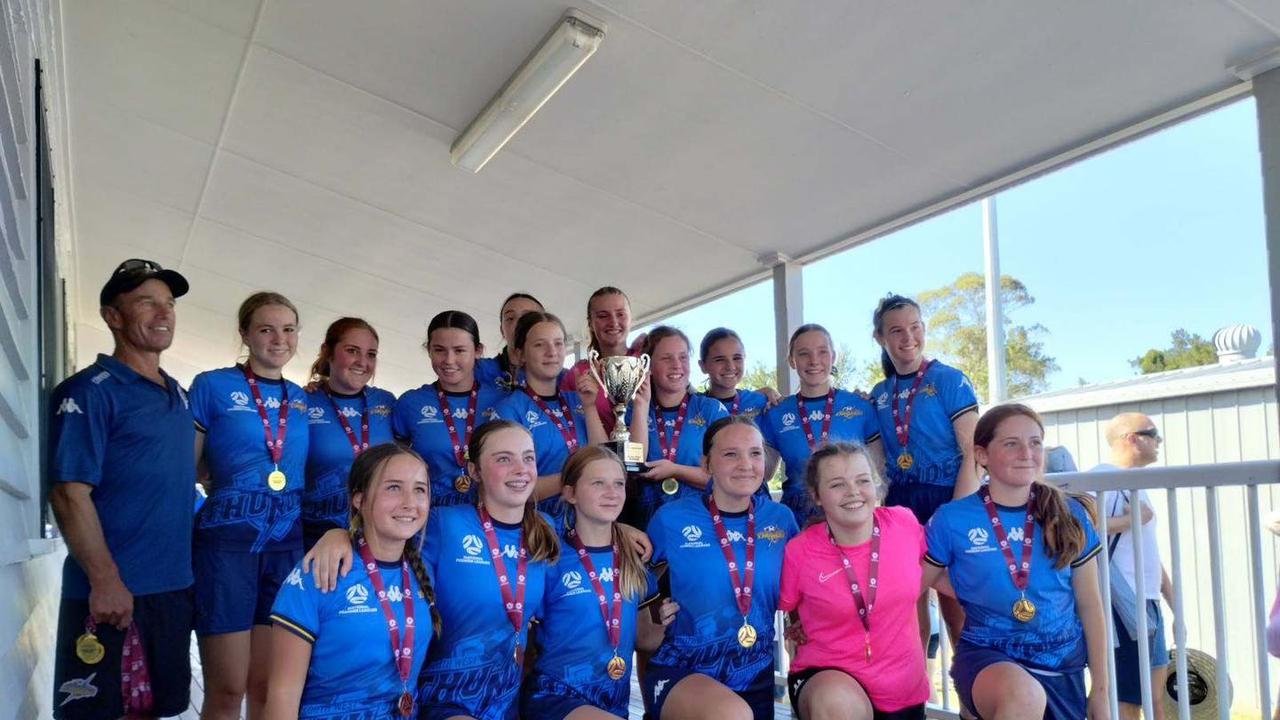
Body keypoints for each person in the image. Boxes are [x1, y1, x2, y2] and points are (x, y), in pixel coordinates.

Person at [48, 259, 196, 719]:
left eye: (168, 304)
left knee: (162, 708)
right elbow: (69, 492)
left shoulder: (177, 392)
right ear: (113, 316)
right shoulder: (90, 392)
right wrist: (105, 580)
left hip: (172, 590)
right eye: (145, 303)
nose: (162, 314)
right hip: (112, 594)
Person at [922, 404, 1109, 720]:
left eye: (1035, 442)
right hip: (989, 659)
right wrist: (970, 588)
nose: (1027, 452)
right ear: (982, 455)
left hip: (1062, 668)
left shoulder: (1069, 513)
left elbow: (1090, 604)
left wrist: (1101, 692)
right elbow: (915, 581)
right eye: (1011, 443)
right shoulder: (952, 519)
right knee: (1022, 697)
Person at [189, 291, 311, 719]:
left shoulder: (302, 398)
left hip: (286, 550)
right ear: (245, 333)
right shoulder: (213, 385)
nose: (279, 339)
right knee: (226, 689)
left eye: (288, 329)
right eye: (266, 329)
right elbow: (191, 467)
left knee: (265, 688)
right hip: (227, 550)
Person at [265, 443, 440, 718]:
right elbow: (281, 695)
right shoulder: (321, 571)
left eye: (420, 489)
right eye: (393, 487)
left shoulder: (424, 569)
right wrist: (337, 533)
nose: (409, 501)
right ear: (359, 498)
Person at [642, 416, 800, 720]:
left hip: (754, 674)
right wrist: (654, 613)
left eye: (755, 453)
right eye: (731, 454)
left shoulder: (781, 520)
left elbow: (802, 592)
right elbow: (638, 583)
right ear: (706, 465)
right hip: (683, 671)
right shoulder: (671, 519)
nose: (746, 464)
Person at [414, 420, 559, 720]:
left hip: (508, 704)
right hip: (444, 700)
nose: (521, 469)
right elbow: (380, 549)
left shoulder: (546, 532)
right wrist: (335, 537)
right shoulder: (443, 524)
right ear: (474, 470)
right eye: (504, 459)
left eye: (528, 458)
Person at [521, 445, 677, 719]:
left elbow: (645, 639)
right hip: (555, 698)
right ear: (569, 493)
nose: (612, 493)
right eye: (598, 483)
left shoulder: (633, 559)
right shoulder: (550, 556)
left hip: (612, 705)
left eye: (618, 484)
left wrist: (671, 621)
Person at [780, 443, 930, 720]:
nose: (853, 491)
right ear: (817, 496)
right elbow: (788, 602)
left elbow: (937, 572)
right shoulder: (800, 551)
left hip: (903, 690)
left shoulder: (904, 524)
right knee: (838, 704)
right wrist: (796, 622)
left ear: (877, 485)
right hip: (829, 679)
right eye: (837, 484)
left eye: (863, 480)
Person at [868, 294, 978, 652]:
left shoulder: (950, 380)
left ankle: (972, 704)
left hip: (949, 498)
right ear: (881, 339)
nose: (908, 338)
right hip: (901, 509)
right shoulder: (879, 394)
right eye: (896, 331)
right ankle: (913, 701)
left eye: (915, 327)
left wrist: (956, 513)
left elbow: (974, 452)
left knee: (959, 615)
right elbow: (879, 462)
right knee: (907, 615)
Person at [1095, 413, 1174, 720]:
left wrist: (1172, 600)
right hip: (1121, 603)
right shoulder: (1103, 477)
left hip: (1147, 602)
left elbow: (1148, 553)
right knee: (1127, 697)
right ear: (1131, 438)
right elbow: (1082, 526)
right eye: (1153, 434)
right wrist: (1132, 520)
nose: (1158, 441)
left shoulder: (1136, 485)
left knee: (1155, 696)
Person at [759, 324, 881, 523]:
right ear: (792, 360)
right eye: (804, 353)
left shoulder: (861, 406)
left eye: (822, 352)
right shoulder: (776, 413)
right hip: (797, 518)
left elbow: (880, 471)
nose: (814, 361)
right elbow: (763, 472)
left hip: (848, 512)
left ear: (833, 356)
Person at [495, 312, 610, 520]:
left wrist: (591, 408)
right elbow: (511, 487)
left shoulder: (579, 400)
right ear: (520, 354)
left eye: (558, 344)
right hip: (538, 528)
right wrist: (576, 479)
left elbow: (605, 460)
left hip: (588, 524)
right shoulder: (509, 411)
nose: (552, 352)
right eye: (540, 345)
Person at [393, 310, 504, 509]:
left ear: (478, 351)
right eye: (439, 350)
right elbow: (395, 461)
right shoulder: (411, 403)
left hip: (488, 519)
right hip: (429, 519)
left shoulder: (502, 401)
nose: (449, 360)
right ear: (428, 350)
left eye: (459, 350)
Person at [302, 317, 396, 550]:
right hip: (315, 533)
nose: (362, 362)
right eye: (352, 351)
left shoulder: (387, 402)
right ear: (328, 352)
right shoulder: (301, 402)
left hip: (374, 533)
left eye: (371, 354)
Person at [636, 326, 729, 526]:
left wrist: (675, 470)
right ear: (648, 366)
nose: (677, 365)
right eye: (667, 358)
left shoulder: (710, 409)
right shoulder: (635, 410)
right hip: (648, 522)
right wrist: (641, 405)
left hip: (703, 519)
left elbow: (727, 476)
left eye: (683, 357)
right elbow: (634, 463)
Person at [561, 286, 647, 433]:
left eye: (620, 314)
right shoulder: (578, 374)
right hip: (596, 454)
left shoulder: (644, 363)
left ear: (631, 318)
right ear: (591, 324)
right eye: (603, 316)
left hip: (648, 454)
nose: (613, 322)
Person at [698, 327, 779, 421]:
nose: (730, 366)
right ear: (703, 366)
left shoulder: (763, 402)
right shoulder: (694, 406)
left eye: (737, 358)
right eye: (719, 360)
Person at [477, 292, 545, 391]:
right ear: (502, 330)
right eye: (510, 318)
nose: (518, 324)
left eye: (528, 317)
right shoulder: (479, 371)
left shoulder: (566, 379)